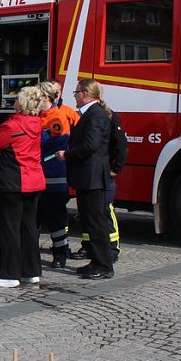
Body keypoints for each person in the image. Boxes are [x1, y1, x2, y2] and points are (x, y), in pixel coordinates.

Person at [0, 86, 46, 288]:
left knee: (10, 228)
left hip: (13, 182)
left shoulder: (10, 126)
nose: (14, 103)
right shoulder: (37, 123)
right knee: (29, 227)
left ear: (23, 103)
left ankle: (9, 274)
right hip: (34, 181)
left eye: (17, 99)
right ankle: (31, 271)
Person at [55, 79, 114, 280]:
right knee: (90, 222)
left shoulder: (95, 114)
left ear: (86, 93)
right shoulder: (90, 114)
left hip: (93, 178)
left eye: (77, 92)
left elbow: (90, 145)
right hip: (87, 177)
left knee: (96, 223)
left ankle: (104, 265)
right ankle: (96, 261)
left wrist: (68, 155)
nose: (75, 96)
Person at [69, 99, 128, 263]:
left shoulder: (107, 117)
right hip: (91, 173)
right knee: (88, 214)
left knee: (105, 211)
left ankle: (112, 248)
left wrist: (116, 168)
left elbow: (121, 145)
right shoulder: (89, 118)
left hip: (102, 173)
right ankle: (89, 246)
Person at [37, 81, 79, 268]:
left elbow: (51, 143)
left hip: (54, 176)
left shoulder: (58, 117)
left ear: (45, 98)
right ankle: (30, 253)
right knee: (34, 218)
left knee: (56, 218)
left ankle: (60, 254)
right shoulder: (40, 116)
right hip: (38, 176)